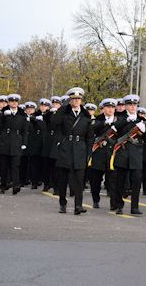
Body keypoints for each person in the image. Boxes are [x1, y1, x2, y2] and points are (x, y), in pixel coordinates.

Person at [52, 87, 94, 215]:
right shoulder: (64, 113)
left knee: (79, 181)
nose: (76, 101)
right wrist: (63, 106)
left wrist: (88, 153)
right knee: (63, 179)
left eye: (78, 99)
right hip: (66, 149)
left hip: (80, 150)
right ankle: (62, 204)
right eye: (74, 99)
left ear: (81, 100)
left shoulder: (86, 116)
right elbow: (54, 122)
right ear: (70, 100)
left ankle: (78, 205)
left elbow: (90, 137)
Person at [113, 94, 146, 215]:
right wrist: (125, 122)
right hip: (123, 153)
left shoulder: (141, 120)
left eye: (134, 105)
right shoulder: (120, 118)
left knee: (136, 182)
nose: (133, 107)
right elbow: (114, 131)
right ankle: (119, 205)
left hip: (136, 155)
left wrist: (144, 132)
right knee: (120, 182)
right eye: (130, 105)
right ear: (126, 106)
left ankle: (134, 207)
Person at [0, 94, 28, 195]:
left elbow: (25, 130)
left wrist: (24, 143)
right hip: (5, 142)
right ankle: (3, 185)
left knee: (15, 166)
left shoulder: (22, 114)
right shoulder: (4, 113)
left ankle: (16, 185)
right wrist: (2, 114)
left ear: (18, 103)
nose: (14, 103)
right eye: (12, 101)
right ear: (9, 103)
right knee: (4, 166)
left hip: (16, 142)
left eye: (16, 101)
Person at [88, 98, 119, 209]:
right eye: (108, 107)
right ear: (103, 108)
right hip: (99, 154)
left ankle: (113, 203)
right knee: (95, 180)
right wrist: (105, 124)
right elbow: (92, 130)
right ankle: (96, 199)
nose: (110, 109)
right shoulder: (97, 120)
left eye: (112, 107)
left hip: (112, 154)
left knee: (113, 181)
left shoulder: (118, 120)